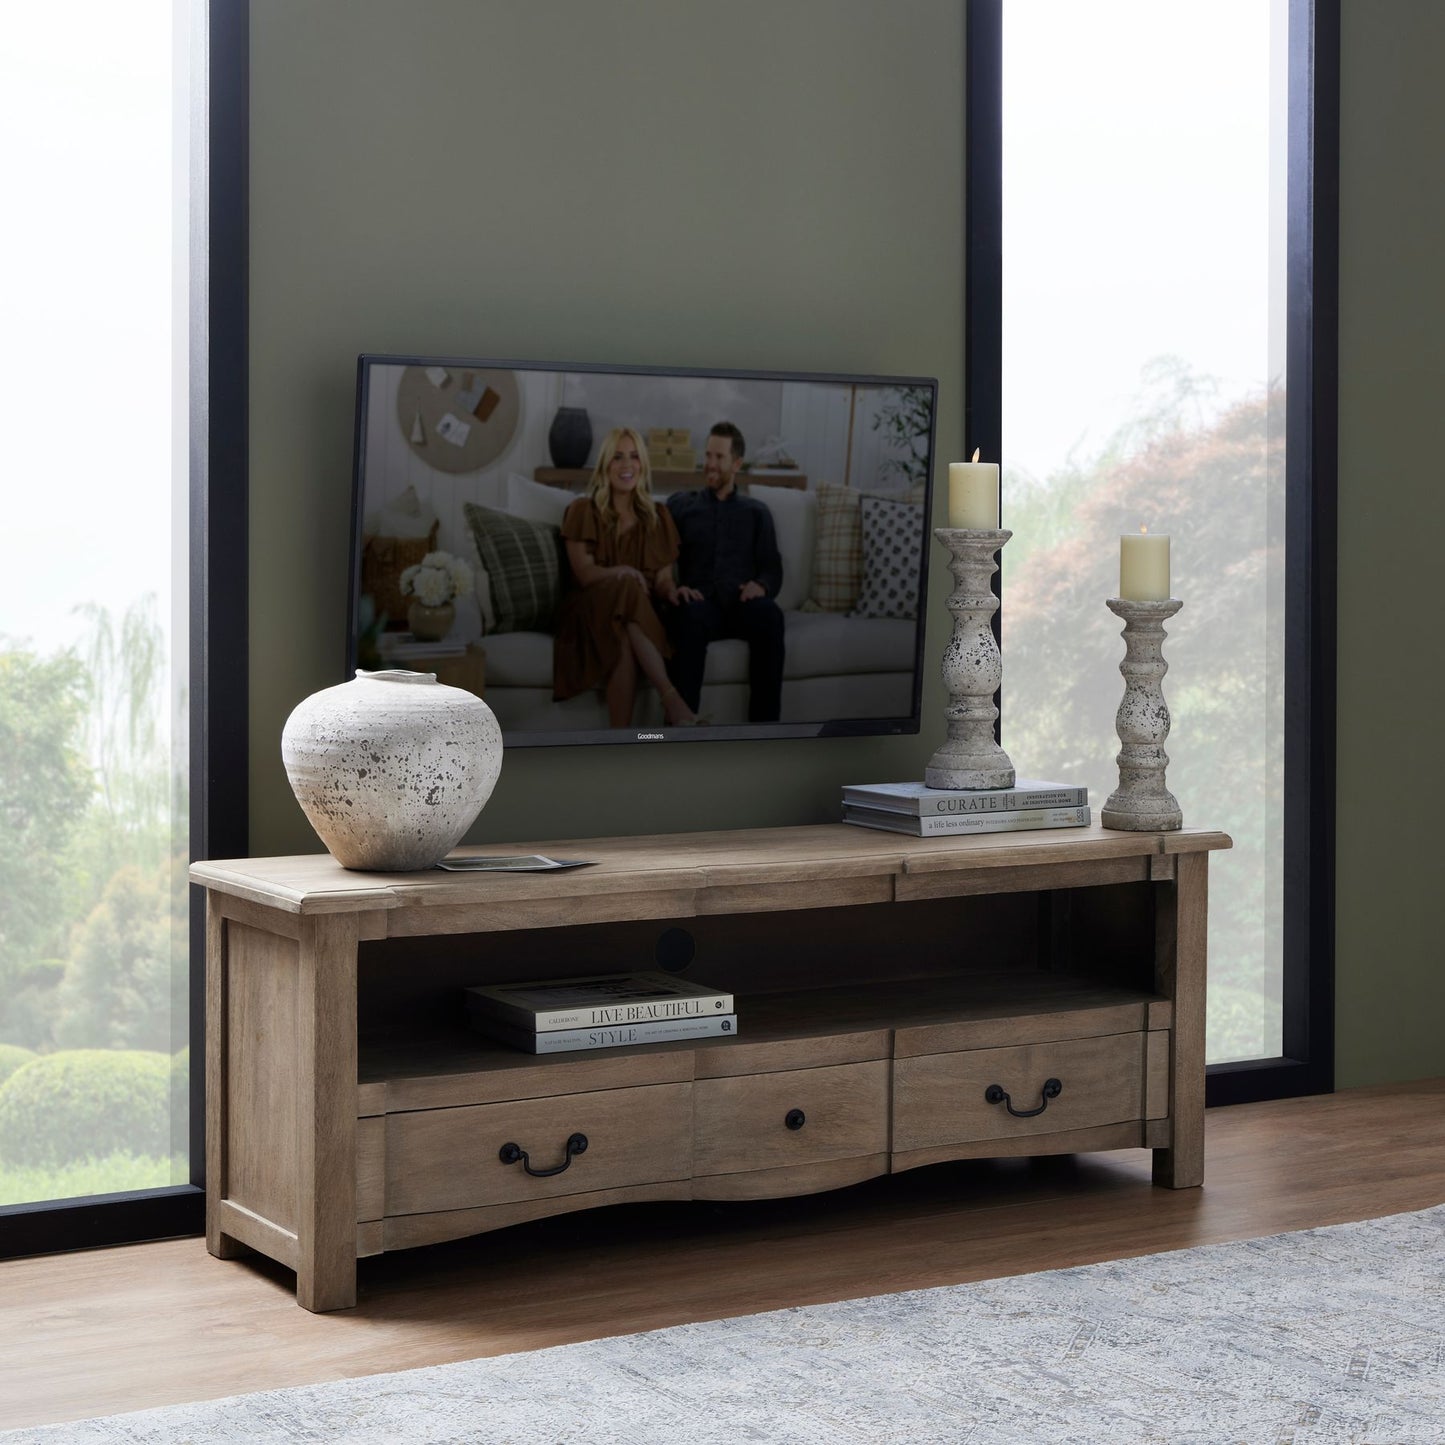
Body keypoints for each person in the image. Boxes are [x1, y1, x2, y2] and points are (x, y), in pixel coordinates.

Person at [552, 427, 700, 727]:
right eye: (617, 457)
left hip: (635, 616)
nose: (627, 465)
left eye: (634, 456)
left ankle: (619, 739)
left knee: (622, 630)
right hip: (589, 610)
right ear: (605, 465)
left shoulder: (657, 517)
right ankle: (671, 699)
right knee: (627, 587)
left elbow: (663, 581)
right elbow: (584, 573)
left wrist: (674, 591)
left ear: (642, 464)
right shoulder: (583, 509)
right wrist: (621, 572)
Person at [663, 421, 785, 721]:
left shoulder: (756, 512)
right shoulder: (681, 506)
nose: (711, 464)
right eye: (708, 455)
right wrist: (673, 587)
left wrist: (761, 586)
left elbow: (772, 567)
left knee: (770, 615)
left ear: (737, 464)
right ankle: (681, 729)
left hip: (741, 603)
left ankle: (764, 731)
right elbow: (660, 555)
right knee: (688, 617)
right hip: (700, 604)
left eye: (719, 457)